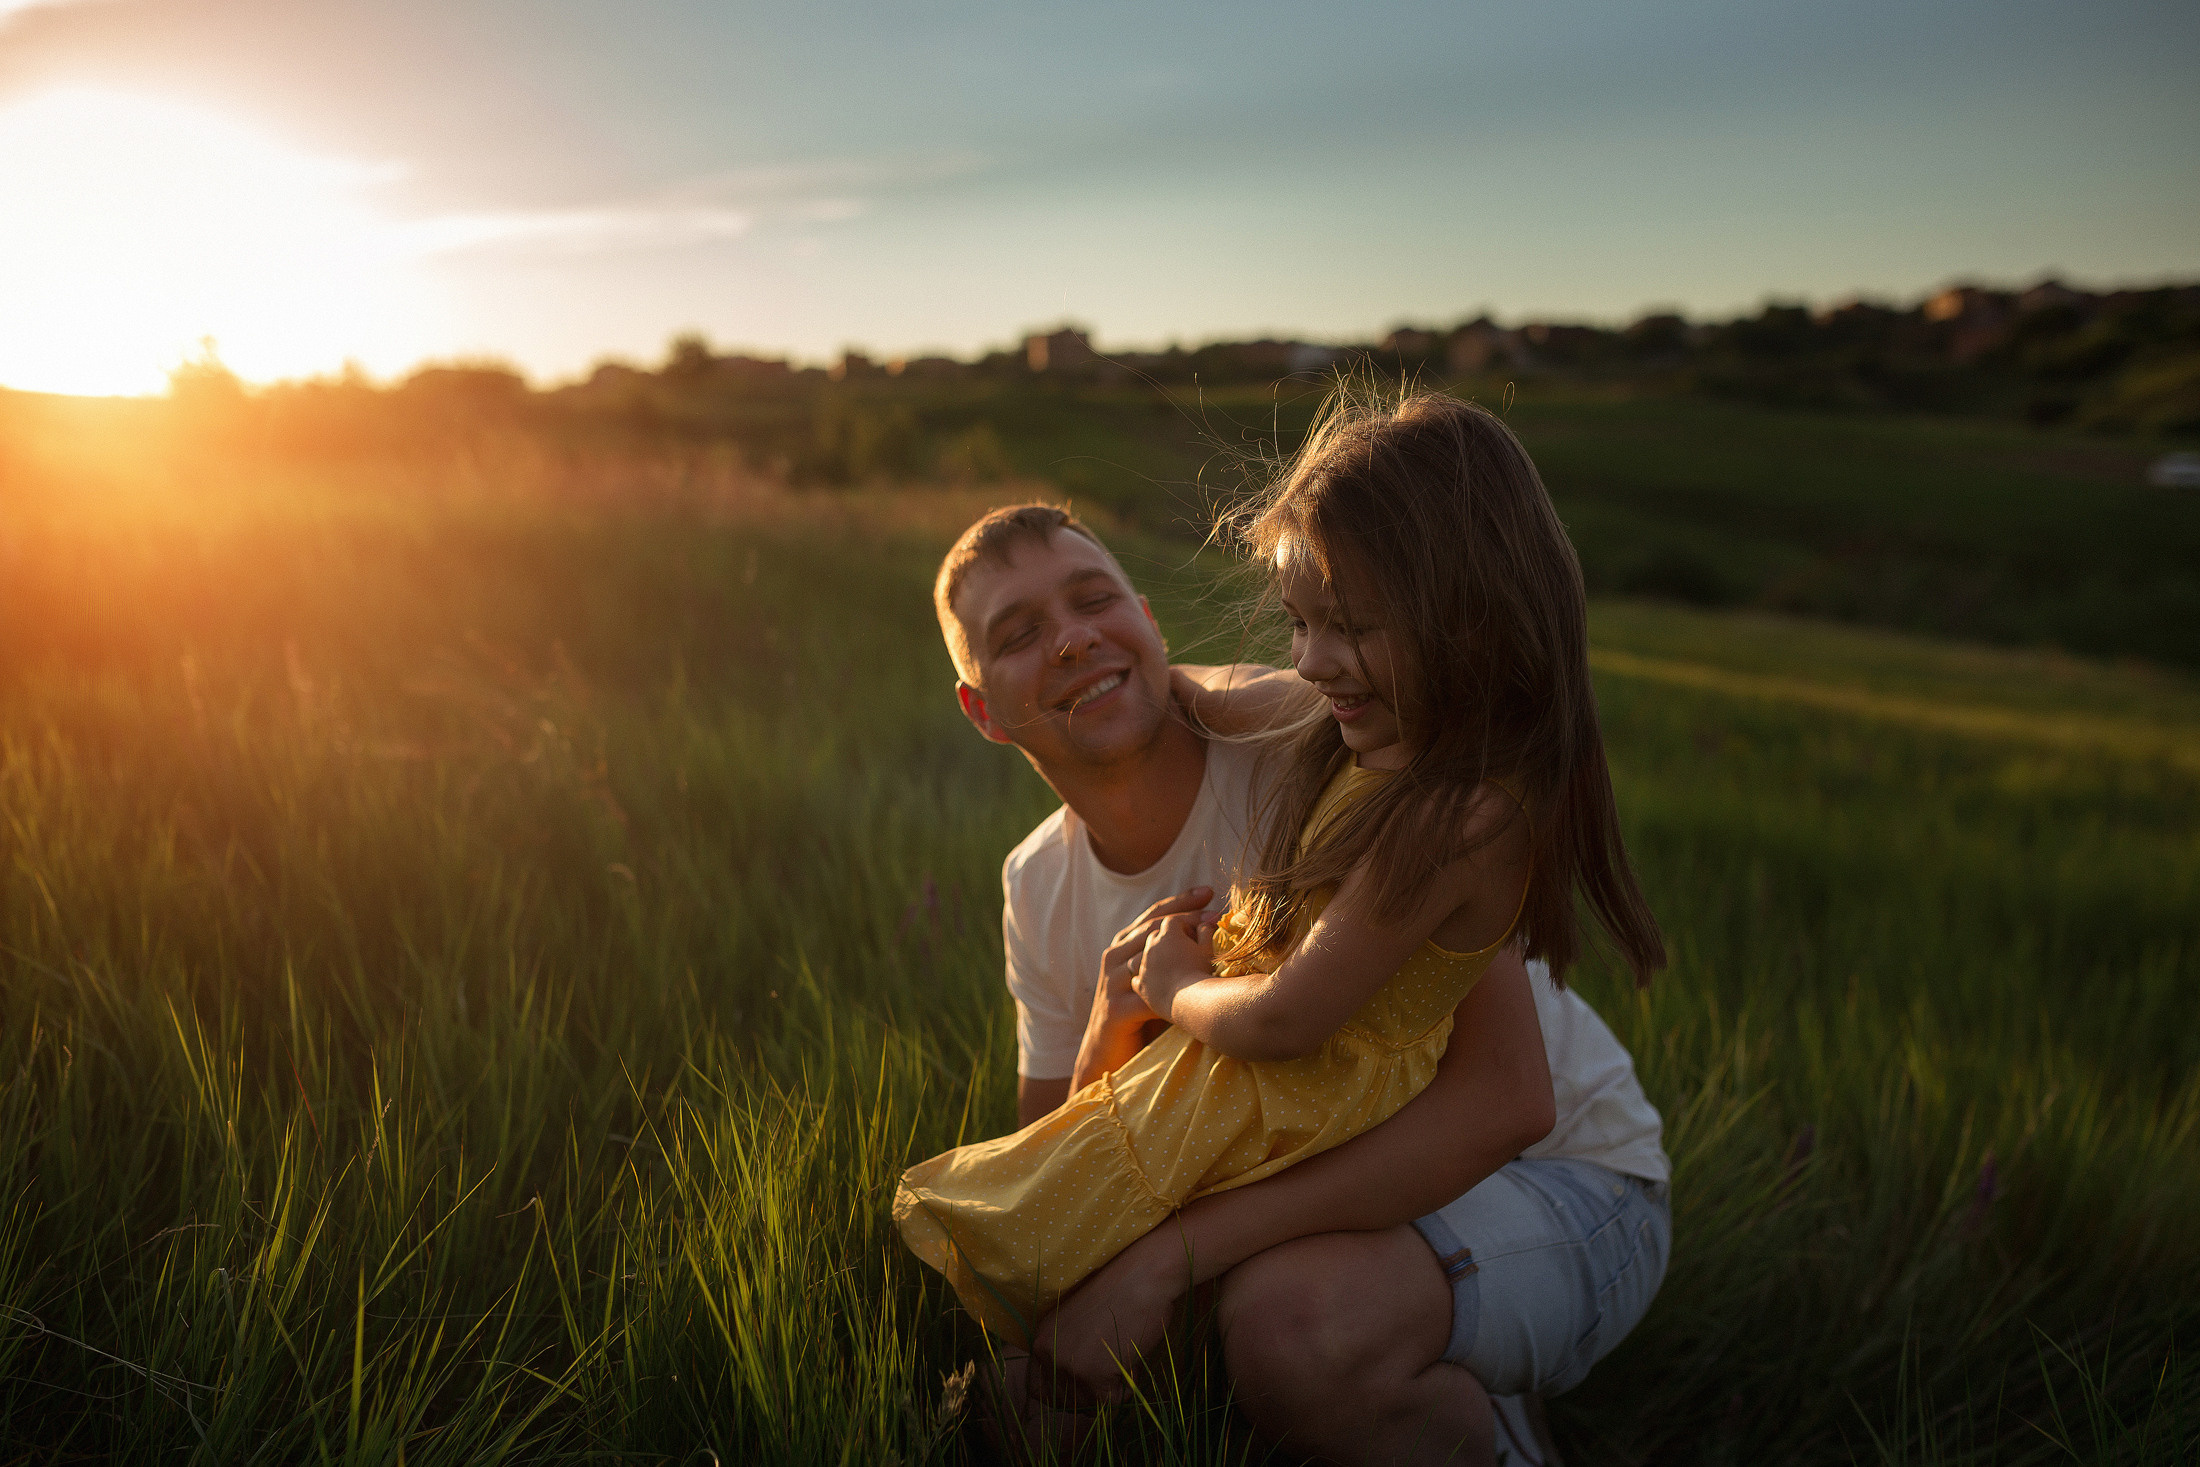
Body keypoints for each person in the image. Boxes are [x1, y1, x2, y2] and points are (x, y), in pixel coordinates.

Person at [913, 395, 1672, 1467]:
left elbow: (1503, 1101)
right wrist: (1112, 1014)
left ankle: (1495, 1433)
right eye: (1019, 633)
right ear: (982, 708)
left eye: (1094, 598)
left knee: (1289, 1327)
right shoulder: (1037, 884)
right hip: (1326, 1192)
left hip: (1556, 1174)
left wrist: (1169, 1262)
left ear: (1148, 621)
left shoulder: (1330, 744)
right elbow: (1068, 1163)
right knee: (1041, 1386)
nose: (1074, 638)